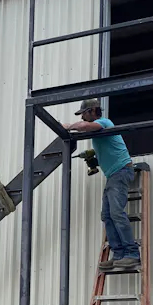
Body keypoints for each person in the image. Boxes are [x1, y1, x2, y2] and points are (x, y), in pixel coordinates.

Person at [64, 98, 140, 270]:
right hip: (114, 174)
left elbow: (84, 127)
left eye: (83, 113)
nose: (82, 117)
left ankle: (132, 254)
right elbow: (108, 154)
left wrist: (68, 126)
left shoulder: (104, 122)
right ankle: (119, 254)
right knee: (106, 215)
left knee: (116, 213)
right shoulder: (98, 132)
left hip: (121, 172)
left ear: (92, 111)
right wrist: (94, 159)